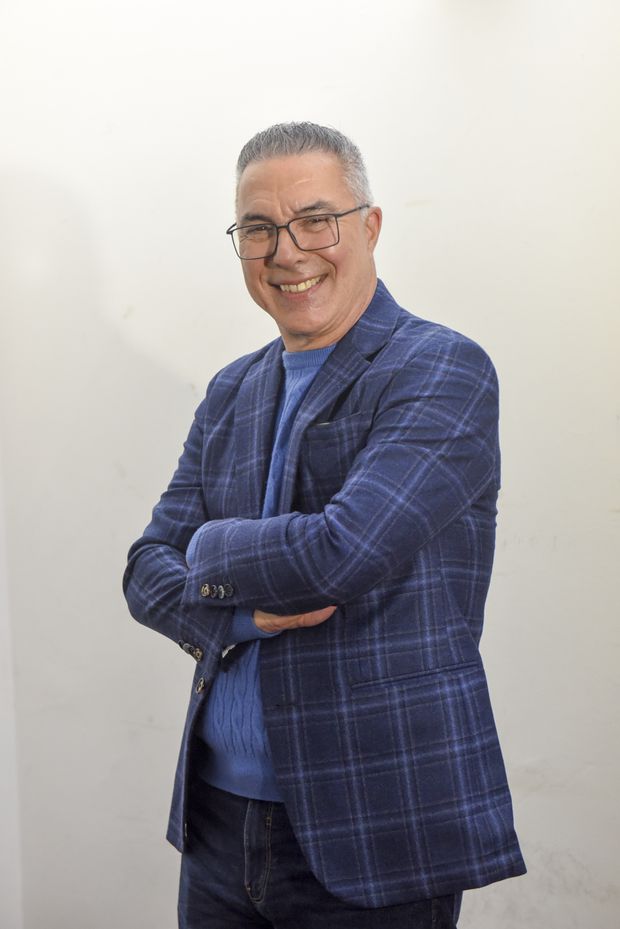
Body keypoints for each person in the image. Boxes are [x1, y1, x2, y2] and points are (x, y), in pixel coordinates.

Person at [123, 121, 526, 928]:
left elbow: (341, 553)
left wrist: (206, 547)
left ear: (369, 226)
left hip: (374, 825)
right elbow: (143, 571)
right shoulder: (232, 390)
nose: (287, 251)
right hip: (216, 823)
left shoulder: (441, 369)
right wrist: (243, 613)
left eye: (315, 220)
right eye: (259, 229)